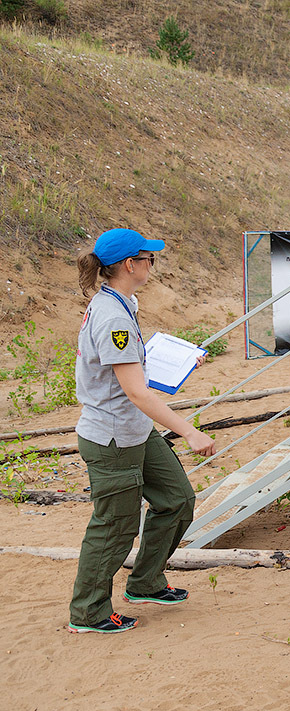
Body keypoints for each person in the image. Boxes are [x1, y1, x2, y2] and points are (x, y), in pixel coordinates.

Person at [68, 228, 216, 634]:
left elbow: (125, 363)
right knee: (114, 527)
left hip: (134, 429)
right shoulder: (113, 314)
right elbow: (135, 390)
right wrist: (189, 431)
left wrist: (175, 361)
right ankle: (88, 612)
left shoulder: (122, 301)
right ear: (131, 265)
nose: (153, 263)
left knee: (176, 500)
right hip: (113, 437)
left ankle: (146, 582)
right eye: (149, 258)